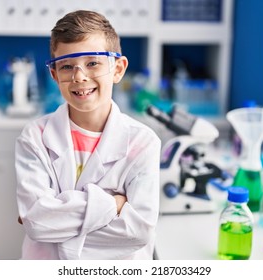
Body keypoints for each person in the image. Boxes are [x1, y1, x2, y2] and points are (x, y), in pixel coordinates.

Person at [15, 10, 161, 260]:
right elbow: (37, 224)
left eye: (93, 63)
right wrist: (114, 205)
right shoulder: (35, 137)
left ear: (117, 69)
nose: (79, 76)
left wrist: (57, 222)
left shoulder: (143, 143)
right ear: (54, 75)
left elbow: (138, 231)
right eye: (67, 66)